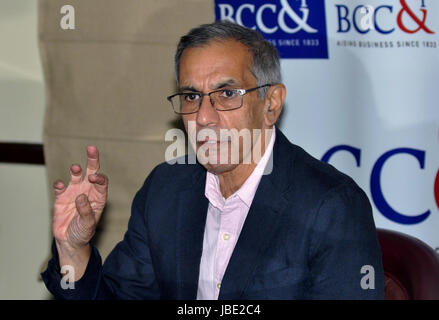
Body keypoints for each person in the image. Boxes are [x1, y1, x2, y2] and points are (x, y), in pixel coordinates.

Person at [41, 21, 384, 299]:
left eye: (227, 94)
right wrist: (73, 249)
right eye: (191, 96)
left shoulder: (332, 205)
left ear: (271, 104)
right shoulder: (166, 189)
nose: (204, 116)